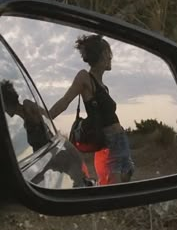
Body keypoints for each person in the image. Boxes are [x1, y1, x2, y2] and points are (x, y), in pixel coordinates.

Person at [49, 34, 134, 185]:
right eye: (109, 53)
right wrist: (44, 121)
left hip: (121, 141)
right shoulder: (85, 77)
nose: (111, 58)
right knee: (113, 193)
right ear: (102, 55)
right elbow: (64, 102)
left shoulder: (104, 87)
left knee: (126, 183)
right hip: (109, 145)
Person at [1, 80, 52, 152]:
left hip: (50, 152)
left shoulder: (27, 105)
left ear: (8, 103)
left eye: (3, 107)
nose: (4, 111)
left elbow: (49, 115)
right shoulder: (25, 122)